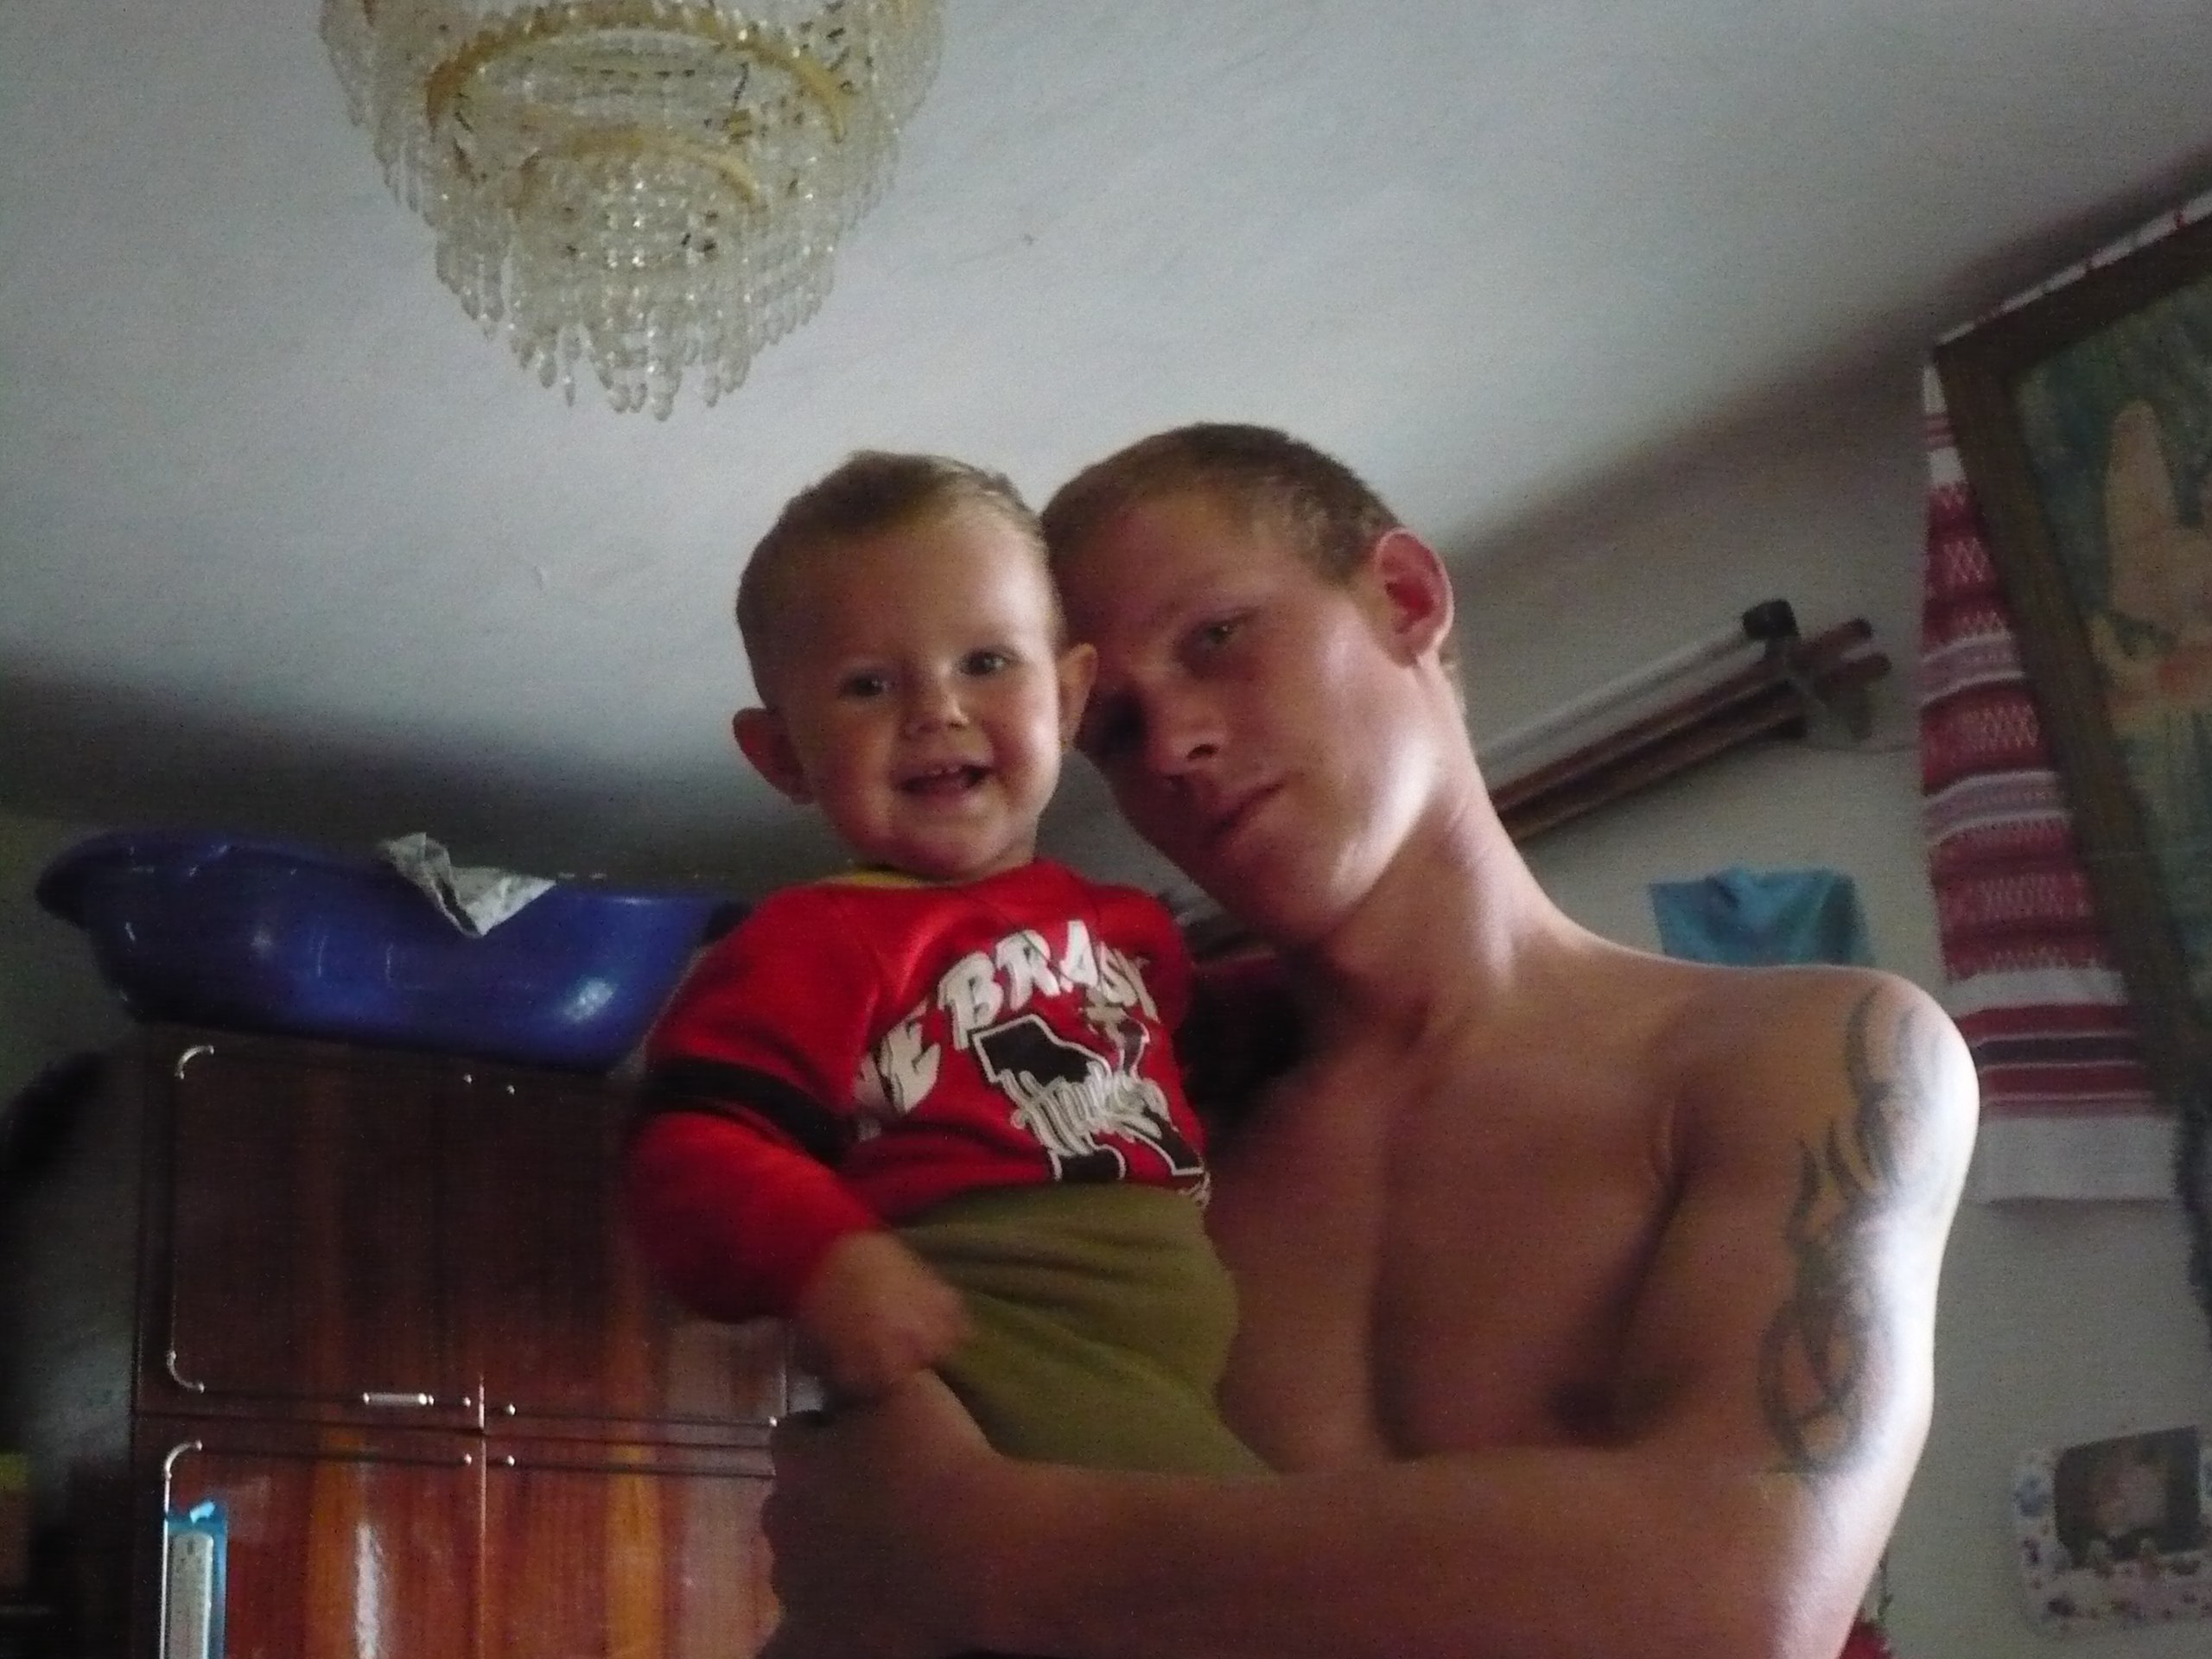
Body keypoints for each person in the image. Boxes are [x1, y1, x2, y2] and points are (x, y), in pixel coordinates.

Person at [757, 423, 1980, 1659]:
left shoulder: (1795, 1056)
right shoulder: (1132, 1135)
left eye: (1217, 638)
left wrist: (991, 1551)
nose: (1173, 744)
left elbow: (1732, 1595)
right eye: (1115, 728)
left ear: (1404, 597)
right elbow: (856, 1538)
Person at [623, 451, 1267, 1489]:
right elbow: (691, 1145)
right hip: (993, 1325)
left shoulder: (1126, 927)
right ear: (782, 755)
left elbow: (1193, 1058)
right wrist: (823, 1257)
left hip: (1157, 1344)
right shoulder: (813, 941)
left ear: (1067, 698)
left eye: (986, 662)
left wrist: (1320, 991)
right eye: (869, 685)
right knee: (1255, 1549)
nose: (938, 710)